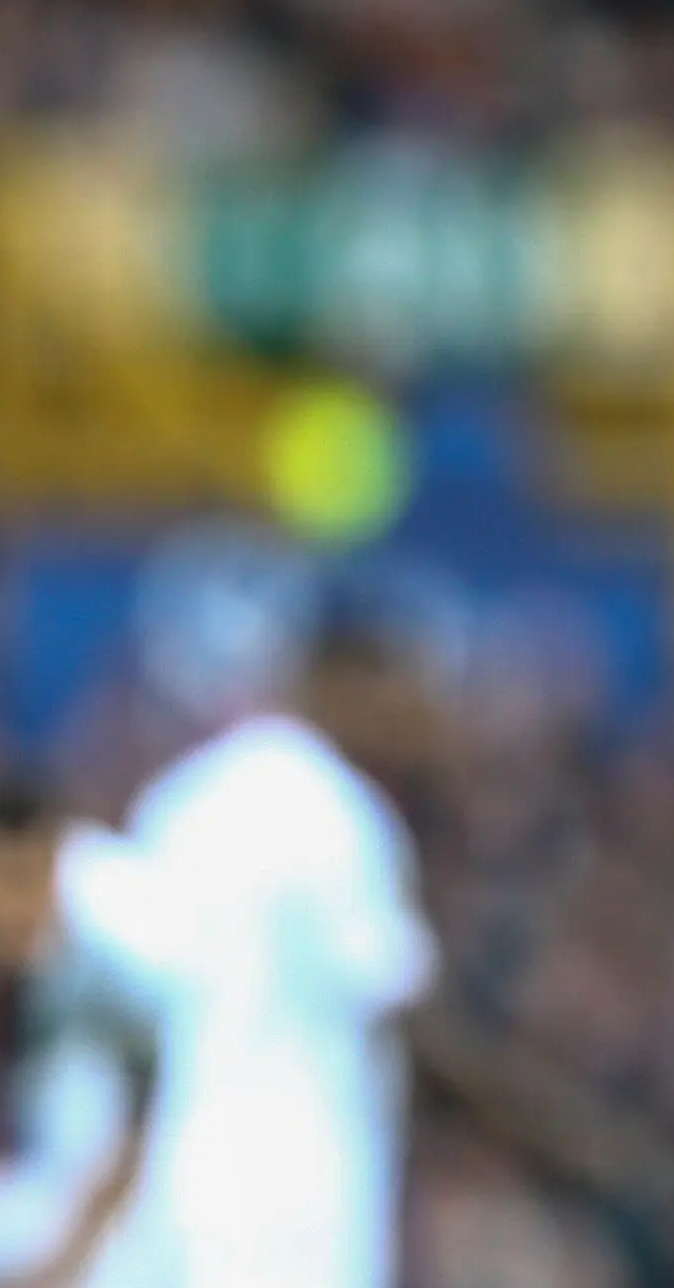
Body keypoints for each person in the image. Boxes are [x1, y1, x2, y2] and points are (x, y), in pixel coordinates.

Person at [119, 543, 436, 1288]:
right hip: (301, 1174)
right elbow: (391, 985)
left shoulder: (169, 804)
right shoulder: (331, 804)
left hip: (182, 1165)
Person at [0, 778, 168, 1288]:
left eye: (34, 877)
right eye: (3, 878)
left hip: (49, 1193)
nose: (17, 904)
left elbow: (139, 1122)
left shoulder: (108, 975)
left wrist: (71, 1253)